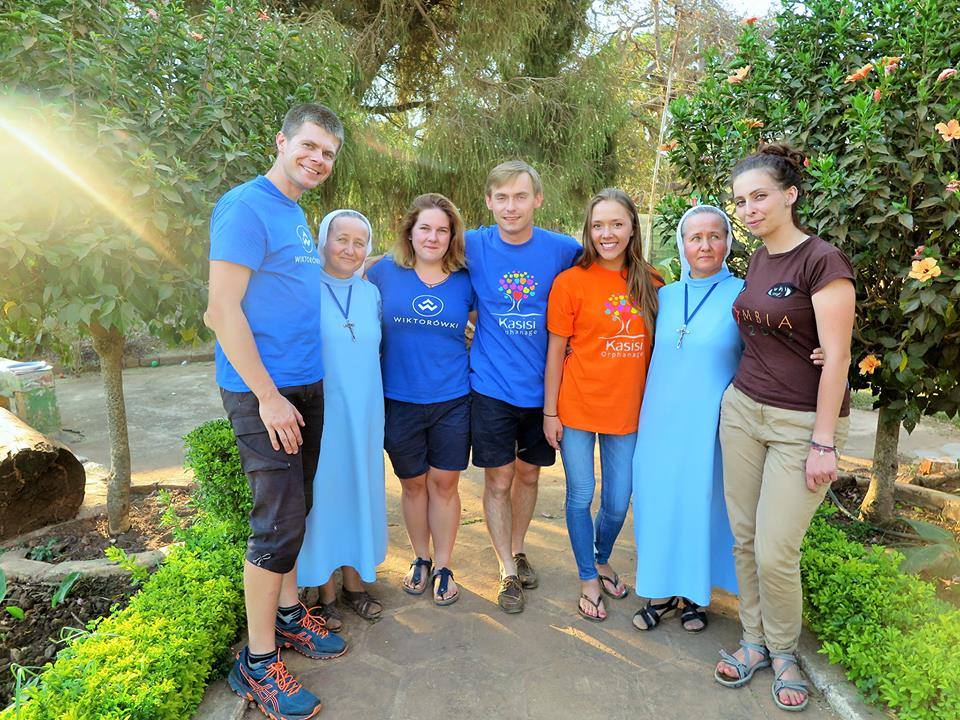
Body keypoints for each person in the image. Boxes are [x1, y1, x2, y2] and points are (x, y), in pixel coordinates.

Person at [205, 102, 347, 720]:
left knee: (296, 510)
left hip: (302, 385)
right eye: (309, 146)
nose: (317, 159)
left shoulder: (293, 212)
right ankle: (258, 663)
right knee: (277, 525)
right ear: (281, 142)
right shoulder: (246, 206)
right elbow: (222, 310)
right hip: (264, 393)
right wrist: (267, 396)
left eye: (328, 153)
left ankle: (288, 616)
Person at [714, 144, 855, 713]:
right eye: (740, 201)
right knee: (745, 538)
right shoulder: (756, 260)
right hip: (743, 411)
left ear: (790, 195)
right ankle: (753, 641)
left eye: (760, 196)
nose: (748, 209)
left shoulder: (822, 260)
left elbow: (838, 357)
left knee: (776, 550)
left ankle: (783, 652)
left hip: (801, 425)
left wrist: (824, 441)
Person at [467, 160, 581, 613]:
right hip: (491, 386)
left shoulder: (562, 249)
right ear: (489, 202)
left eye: (519, 196)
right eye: (501, 198)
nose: (510, 207)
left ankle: (517, 549)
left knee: (529, 474)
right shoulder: (473, 244)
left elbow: (609, 271)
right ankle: (506, 572)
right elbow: (417, 250)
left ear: (537, 199)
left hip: (543, 391)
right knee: (498, 479)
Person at [543, 188, 662, 622]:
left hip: (627, 412)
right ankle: (588, 577)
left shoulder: (652, 282)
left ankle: (600, 556)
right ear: (588, 231)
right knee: (581, 495)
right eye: (598, 225)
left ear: (632, 229)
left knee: (617, 500)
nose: (607, 234)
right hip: (576, 406)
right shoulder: (570, 282)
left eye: (616, 224)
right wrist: (550, 413)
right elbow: (555, 352)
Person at [630, 205, 741, 633]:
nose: (705, 245)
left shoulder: (742, 295)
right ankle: (659, 592)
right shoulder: (664, 297)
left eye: (715, 236)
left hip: (707, 425)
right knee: (657, 502)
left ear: (728, 242)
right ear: (682, 244)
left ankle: (695, 595)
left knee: (700, 505)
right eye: (695, 238)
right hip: (658, 422)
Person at [366, 193, 474, 606]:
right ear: (409, 232)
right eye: (425, 228)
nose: (433, 237)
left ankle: (444, 565)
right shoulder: (383, 272)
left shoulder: (465, 279)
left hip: (452, 398)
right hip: (398, 398)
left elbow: (485, 323)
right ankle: (421, 558)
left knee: (444, 483)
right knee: (412, 484)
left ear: (452, 236)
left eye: (442, 230)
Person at [296, 209, 387, 629]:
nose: (350, 249)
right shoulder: (304, 289)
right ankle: (325, 591)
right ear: (323, 241)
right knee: (326, 497)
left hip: (365, 413)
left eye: (359, 242)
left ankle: (355, 582)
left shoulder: (371, 294)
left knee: (359, 491)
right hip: (322, 414)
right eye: (341, 239)